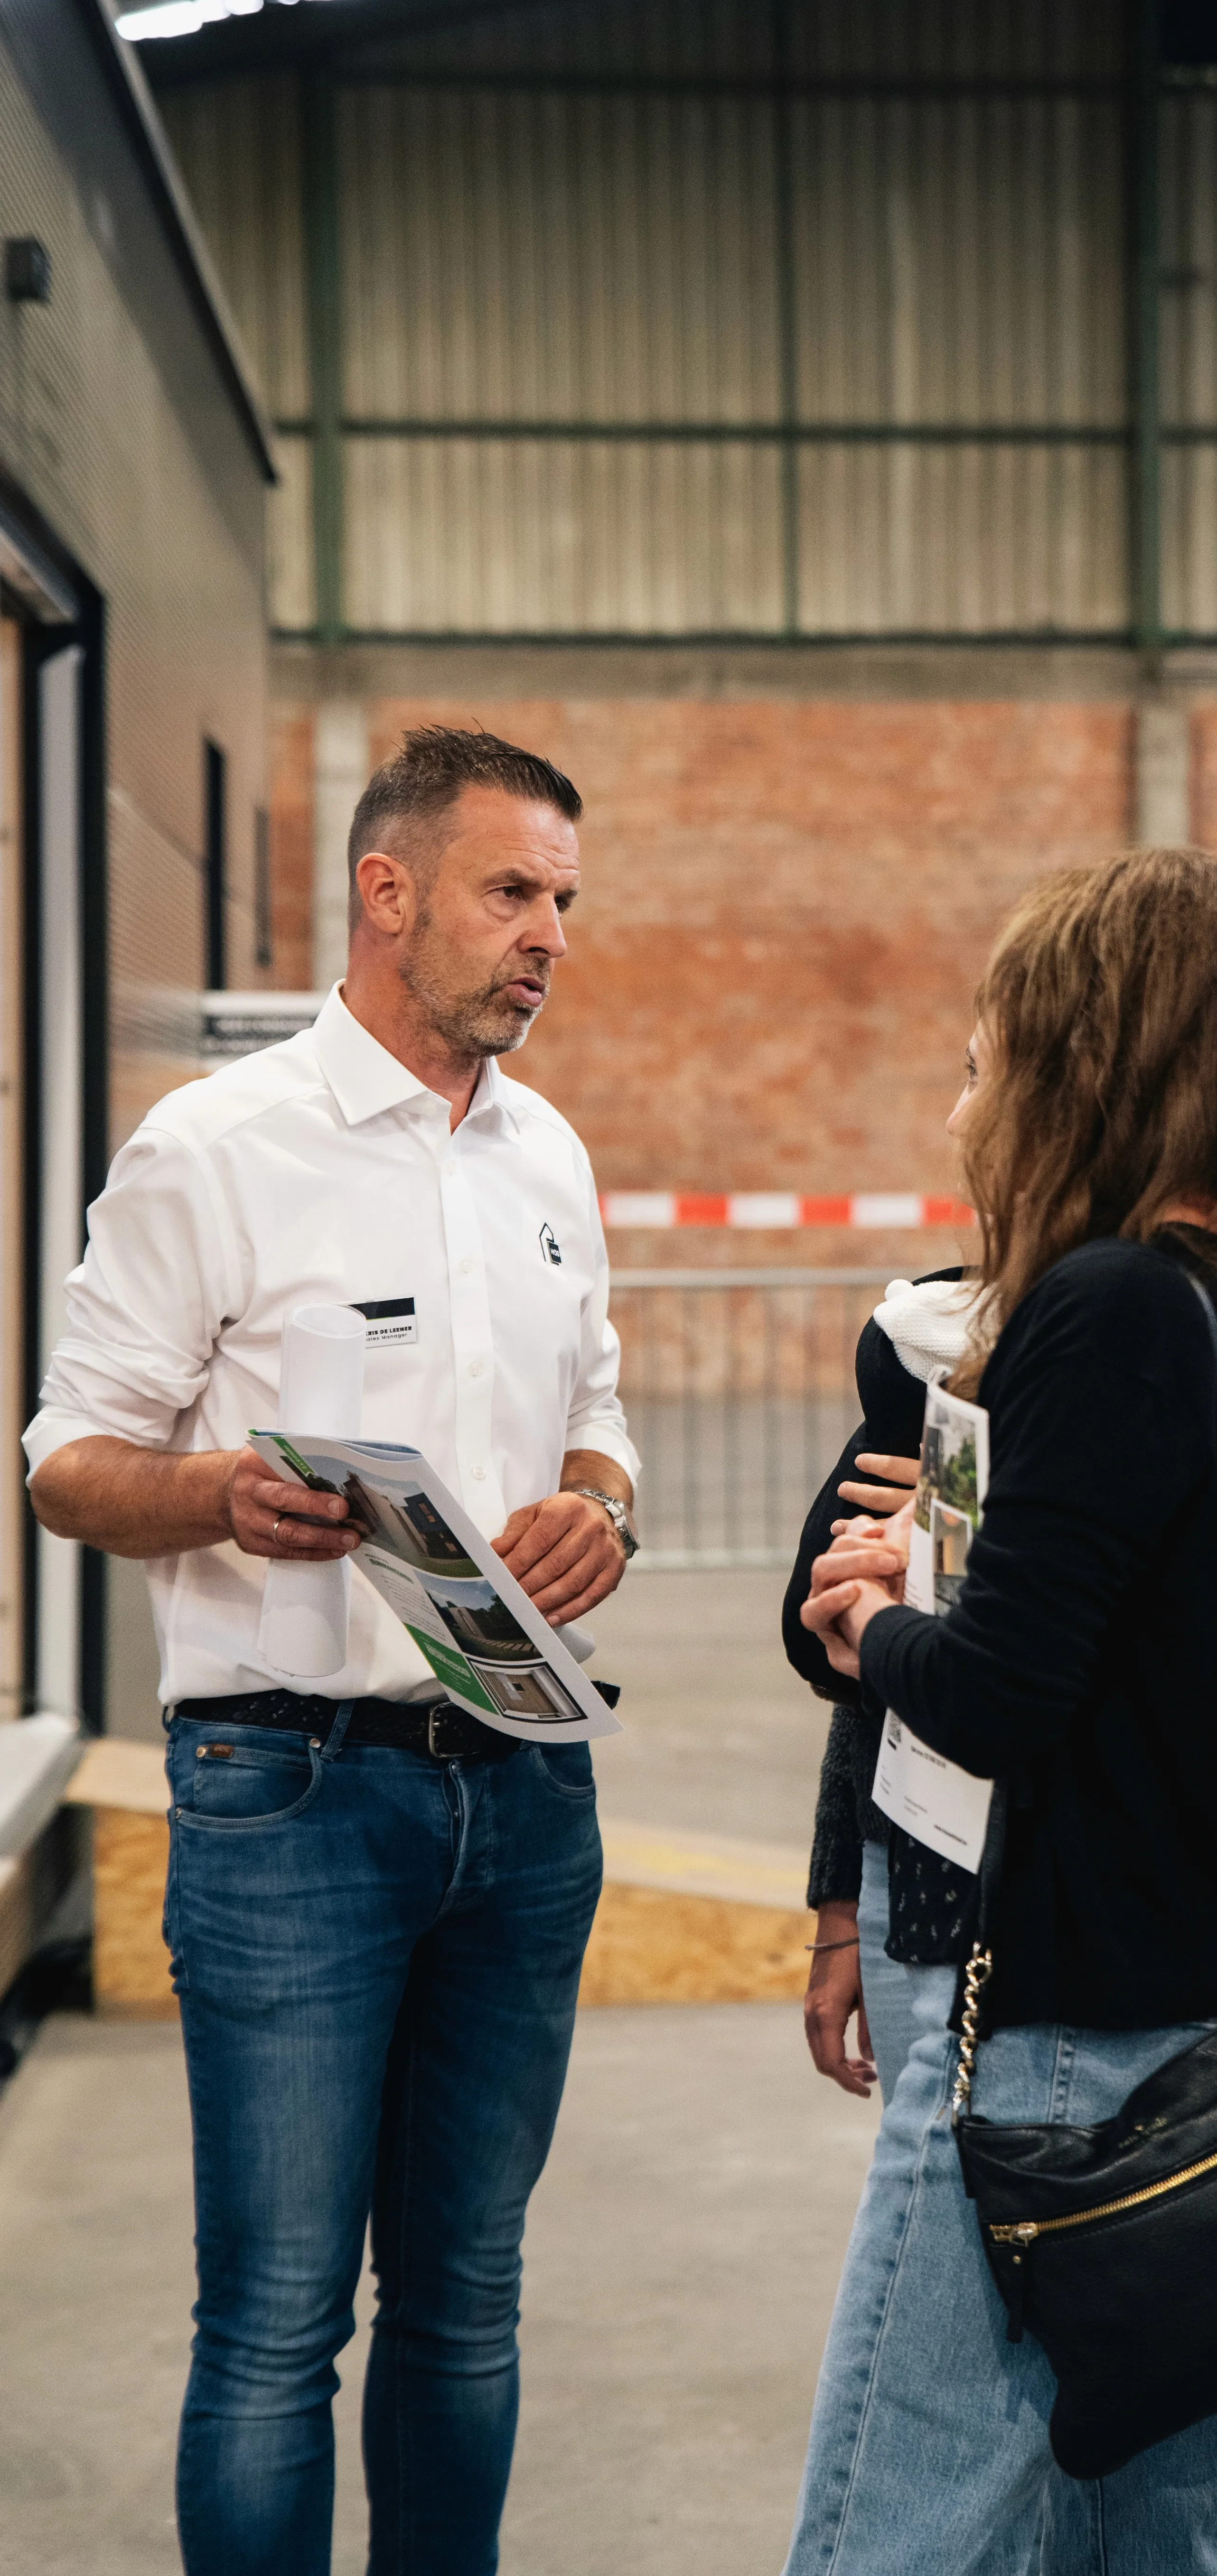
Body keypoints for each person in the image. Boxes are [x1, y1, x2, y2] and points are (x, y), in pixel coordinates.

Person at [26, 725, 640, 2576]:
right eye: (510, 892)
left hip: (524, 1794)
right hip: (288, 1800)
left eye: (563, 903)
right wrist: (215, 1493)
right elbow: (65, 1465)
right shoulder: (216, 1150)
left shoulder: (548, 1154)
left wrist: (595, 1510)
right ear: (388, 892)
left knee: (470, 2303)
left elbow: (599, 1421)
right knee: (280, 2321)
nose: (546, 935)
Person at [783, 845, 1217, 2576]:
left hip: (1059, 2031)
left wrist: (878, 1617)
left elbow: (1005, 1692)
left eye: (997, 1048)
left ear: (1078, 1058)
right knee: (1168, 2529)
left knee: (901, 2520)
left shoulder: (1097, 1311)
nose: (977, 1096)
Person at [786, 1269, 974, 2106]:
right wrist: (842, 1898)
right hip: (903, 1844)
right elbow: (859, 1684)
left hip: (1032, 1895)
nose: (957, 1126)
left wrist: (955, 1549)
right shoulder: (932, 1322)